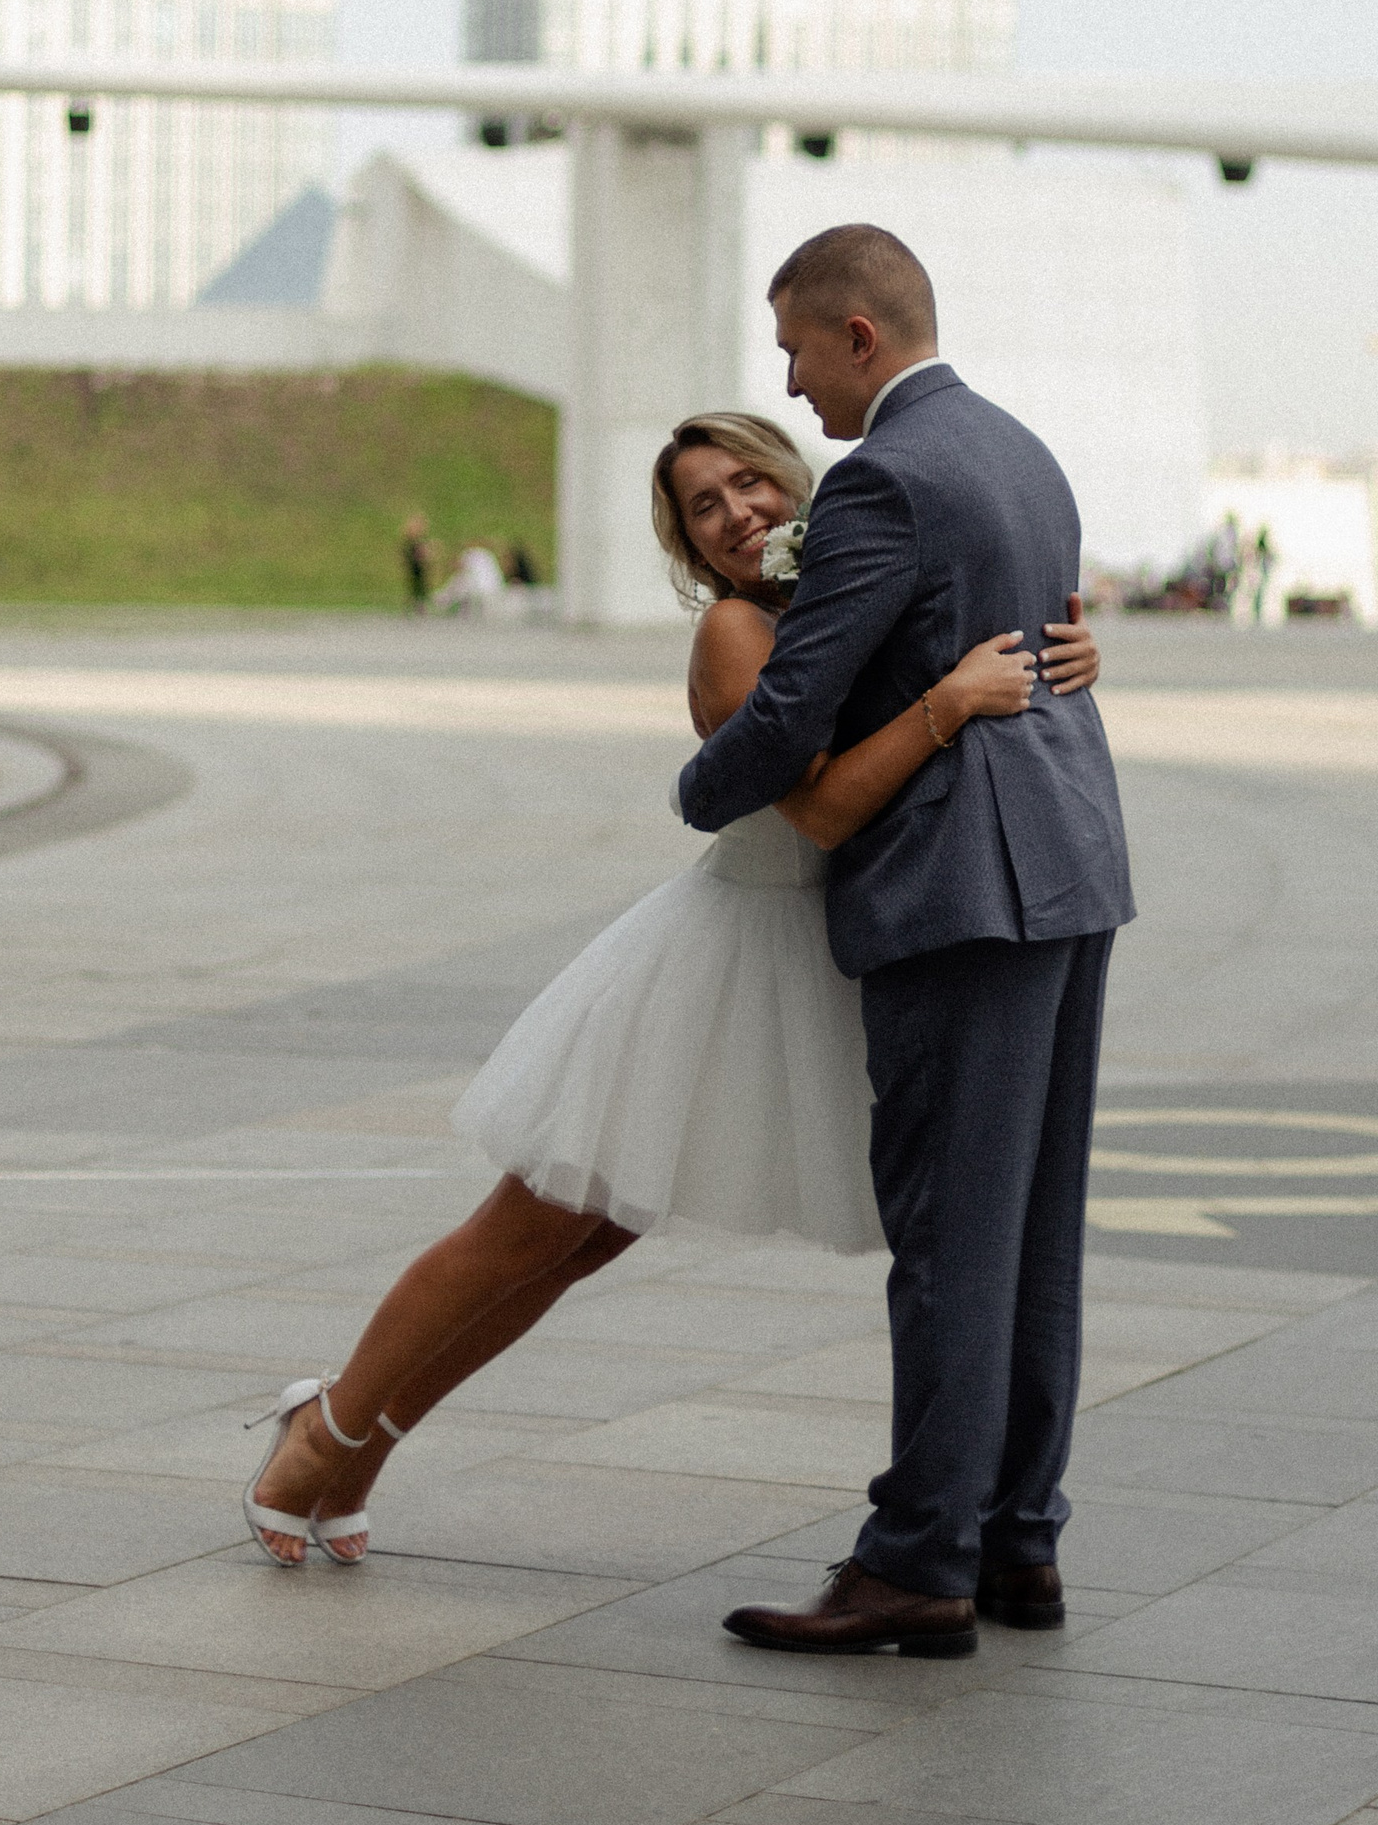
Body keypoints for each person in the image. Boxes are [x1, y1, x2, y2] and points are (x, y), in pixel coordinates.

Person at [238, 403, 1103, 1571]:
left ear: (798, 487)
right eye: (706, 506)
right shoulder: (736, 635)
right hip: (723, 959)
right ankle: (324, 1429)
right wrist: (946, 703)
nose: (739, 511)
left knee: (584, 1245)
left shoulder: (855, 596)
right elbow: (821, 805)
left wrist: (1065, 661)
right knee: (528, 1226)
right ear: (691, 548)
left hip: (829, 958)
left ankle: (361, 1443)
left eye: (751, 482)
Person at [690, 224, 1135, 1660]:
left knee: (948, 1239)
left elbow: (791, 715)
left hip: (960, 887)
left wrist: (697, 790)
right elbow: (1046, 640)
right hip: (1069, 870)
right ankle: (1019, 1544)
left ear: (858, 337)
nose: (791, 383)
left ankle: (919, 1558)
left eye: (796, 350)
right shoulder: (1022, 451)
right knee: (1032, 1236)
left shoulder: (885, 476)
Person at [399, 513, 433, 612]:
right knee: (416, 587)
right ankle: (413, 607)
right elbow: (412, 553)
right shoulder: (411, 542)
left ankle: (418, 607)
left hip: (419, 566)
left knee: (420, 587)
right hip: (415, 566)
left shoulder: (419, 540)